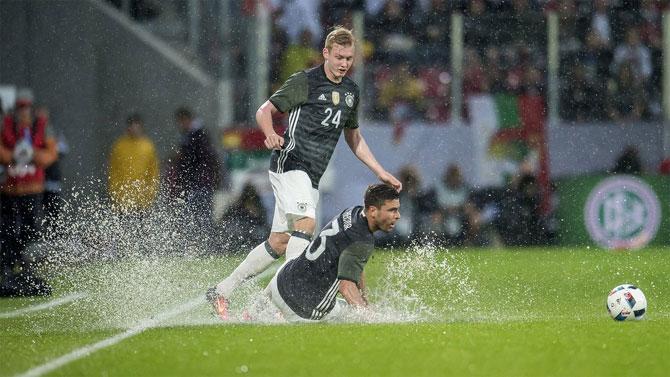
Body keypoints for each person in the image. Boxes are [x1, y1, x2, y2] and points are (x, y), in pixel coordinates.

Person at [209, 26, 401, 319]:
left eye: (349, 58)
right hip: (291, 163)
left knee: (280, 242)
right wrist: (270, 134)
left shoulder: (350, 92)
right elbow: (264, 111)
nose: (344, 64)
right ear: (325, 53)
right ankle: (282, 301)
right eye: (339, 57)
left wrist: (380, 170)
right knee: (307, 224)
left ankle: (221, 291)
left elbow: (354, 138)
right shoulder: (305, 81)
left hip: (311, 175)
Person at [209, 184, 400, 322]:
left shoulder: (352, 212)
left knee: (297, 245)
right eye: (392, 210)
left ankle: (253, 312)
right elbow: (346, 288)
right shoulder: (362, 241)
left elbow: (355, 265)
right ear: (373, 211)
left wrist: (365, 298)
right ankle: (274, 315)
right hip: (303, 311)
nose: (397, 216)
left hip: (280, 282)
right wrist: (370, 317)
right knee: (351, 316)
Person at [0, 93, 58, 296]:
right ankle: (6, 269)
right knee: (7, 231)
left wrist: (33, 154)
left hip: (32, 190)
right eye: (20, 107)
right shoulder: (6, 125)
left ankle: (26, 269)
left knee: (30, 231)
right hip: (10, 190)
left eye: (26, 107)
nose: (23, 111)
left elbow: (52, 154)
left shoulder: (42, 126)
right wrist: (12, 155)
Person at [107, 113, 159, 212]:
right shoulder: (119, 146)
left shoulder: (148, 146)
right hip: (122, 197)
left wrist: (150, 193)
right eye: (132, 126)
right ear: (128, 128)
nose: (134, 129)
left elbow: (153, 172)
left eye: (137, 126)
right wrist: (114, 191)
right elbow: (113, 170)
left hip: (142, 198)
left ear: (141, 127)